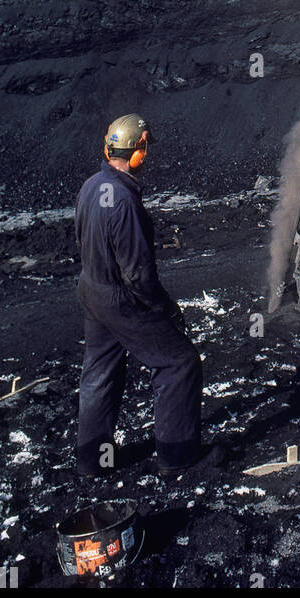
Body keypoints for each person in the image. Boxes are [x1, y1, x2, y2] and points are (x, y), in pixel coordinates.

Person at [75, 113, 221, 479]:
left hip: (91, 291)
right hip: (120, 299)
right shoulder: (124, 201)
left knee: (99, 372)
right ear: (136, 152)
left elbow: (82, 239)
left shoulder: (91, 186)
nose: (147, 156)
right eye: (145, 148)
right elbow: (138, 274)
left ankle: (91, 461)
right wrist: (166, 310)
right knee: (179, 363)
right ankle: (177, 456)